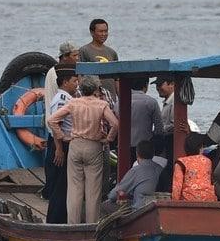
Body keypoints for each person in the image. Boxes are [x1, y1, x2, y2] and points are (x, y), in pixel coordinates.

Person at [46, 77, 115, 224]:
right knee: (93, 190)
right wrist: (108, 139)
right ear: (95, 90)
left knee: (74, 189)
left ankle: (73, 225)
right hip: (94, 146)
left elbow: (51, 120)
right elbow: (115, 124)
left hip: (75, 145)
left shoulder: (73, 103)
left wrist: (62, 136)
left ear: (81, 90)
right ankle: (91, 225)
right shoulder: (102, 104)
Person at [41, 67, 77, 224]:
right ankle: (56, 220)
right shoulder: (63, 98)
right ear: (65, 82)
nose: (77, 84)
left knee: (63, 185)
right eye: (74, 81)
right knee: (60, 186)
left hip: (63, 144)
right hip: (63, 145)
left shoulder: (65, 97)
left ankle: (59, 218)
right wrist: (60, 149)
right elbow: (56, 124)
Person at [105, 140, 161, 211]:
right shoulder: (161, 168)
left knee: (105, 205)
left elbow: (113, 195)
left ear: (137, 154)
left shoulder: (136, 170)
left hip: (140, 210)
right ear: (153, 154)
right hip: (159, 206)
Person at [172, 133, 216, 201]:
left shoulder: (181, 163)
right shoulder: (207, 161)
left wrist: (174, 203)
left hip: (188, 200)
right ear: (200, 148)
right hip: (208, 199)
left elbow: (177, 187)